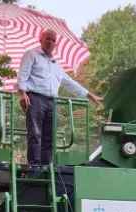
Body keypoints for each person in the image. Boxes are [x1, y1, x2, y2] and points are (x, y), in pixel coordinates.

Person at [15, 29, 102, 166]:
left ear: (55, 43)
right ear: (41, 39)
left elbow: (71, 83)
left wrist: (90, 95)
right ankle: (35, 165)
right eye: (48, 39)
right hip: (35, 98)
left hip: (52, 103)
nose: (50, 42)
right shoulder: (32, 54)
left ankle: (47, 167)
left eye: (53, 40)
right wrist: (22, 93)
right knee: (35, 134)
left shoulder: (57, 66)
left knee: (50, 138)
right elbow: (23, 74)